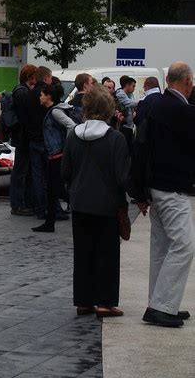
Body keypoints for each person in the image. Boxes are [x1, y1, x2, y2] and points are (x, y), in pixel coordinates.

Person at [62, 84, 138, 318]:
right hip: (107, 204)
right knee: (107, 254)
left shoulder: (73, 135)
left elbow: (66, 172)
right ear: (109, 109)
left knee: (83, 253)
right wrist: (139, 198)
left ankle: (84, 301)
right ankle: (105, 302)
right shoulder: (116, 138)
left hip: (81, 203)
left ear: (86, 107)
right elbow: (123, 176)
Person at [132, 61, 195, 328]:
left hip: (155, 186)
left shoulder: (153, 105)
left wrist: (139, 192)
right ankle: (162, 306)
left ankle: (158, 301)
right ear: (188, 81)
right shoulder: (182, 110)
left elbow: (140, 148)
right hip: (173, 187)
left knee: (162, 247)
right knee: (184, 245)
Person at [32, 83, 76, 233]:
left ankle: (50, 223)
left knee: (53, 188)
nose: (40, 97)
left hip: (58, 155)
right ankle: (50, 222)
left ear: (48, 96)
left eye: (42, 94)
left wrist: (67, 148)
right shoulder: (56, 109)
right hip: (56, 154)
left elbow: (71, 126)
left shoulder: (56, 112)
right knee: (55, 189)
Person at [25, 66, 53, 219]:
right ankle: (50, 207)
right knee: (49, 176)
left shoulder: (29, 94)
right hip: (46, 140)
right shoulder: (48, 94)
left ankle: (39, 208)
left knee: (36, 175)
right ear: (47, 78)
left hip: (33, 139)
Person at [10, 64, 37, 216]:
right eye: (35, 75)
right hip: (23, 138)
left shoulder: (23, 91)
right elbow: (24, 117)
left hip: (22, 137)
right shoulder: (22, 93)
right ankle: (17, 204)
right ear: (29, 77)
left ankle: (22, 203)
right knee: (20, 171)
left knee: (23, 171)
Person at [115, 76, 138, 155]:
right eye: (133, 86)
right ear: (127, 85)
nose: (134, 88)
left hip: (129, 125)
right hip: (123, 126)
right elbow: (130, 103)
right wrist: (143, 101)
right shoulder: (121, 93)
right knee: (125, 149)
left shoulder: (130, 94)